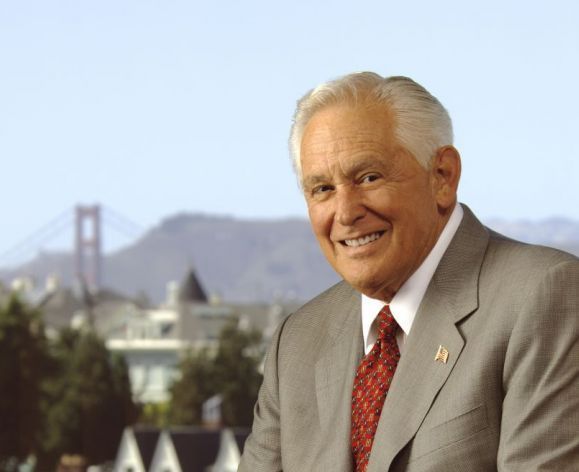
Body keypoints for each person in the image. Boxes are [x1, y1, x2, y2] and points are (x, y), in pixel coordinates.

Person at [238, 72, 579, 471]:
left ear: (442, 176)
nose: (346, 213)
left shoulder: (544, 295)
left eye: (368, 177)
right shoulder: (297, 341)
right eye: (322, 189)